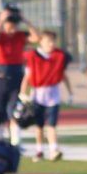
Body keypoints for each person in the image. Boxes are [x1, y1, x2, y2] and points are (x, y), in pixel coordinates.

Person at [19, 30, 72, 161]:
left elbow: (63, 75)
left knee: (52, 124)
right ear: (41, 41)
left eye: (53, 41)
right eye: (48, 41)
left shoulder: (58, 56)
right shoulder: (33, 56)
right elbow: (27, 76)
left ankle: (54, 149)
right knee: (39, 124)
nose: (51, 44)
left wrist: (70, 92)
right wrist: (22, 92)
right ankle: (39, 150)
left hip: (53, 93)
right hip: (38, 93)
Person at [0, 4, 37, 145]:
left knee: (15, 109)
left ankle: (16, 142)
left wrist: (25, 20)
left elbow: (37, 38)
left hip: (16, 73)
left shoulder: (20, 36)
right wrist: (2, 20)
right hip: (1, 74)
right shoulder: (1, 35)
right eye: (12, 21)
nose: (13, 25)